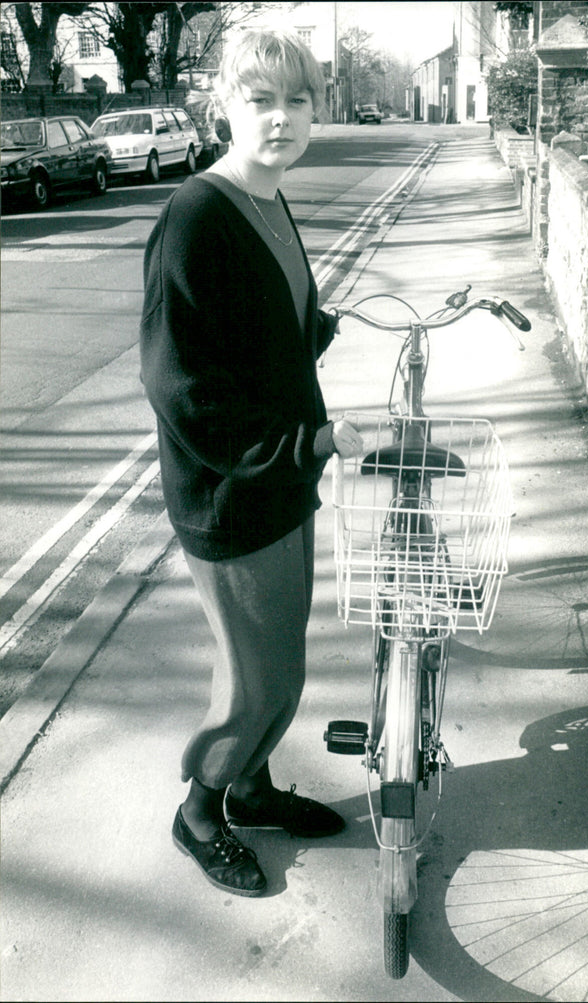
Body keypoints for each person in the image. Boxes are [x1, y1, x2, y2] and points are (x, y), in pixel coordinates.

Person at [139, 28, 363, 897]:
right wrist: (302, 444)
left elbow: (256, 329)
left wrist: (318, 326)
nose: (282, 118)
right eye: (260, 100)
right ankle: (201, 810)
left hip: (280, 483)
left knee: (285, 661)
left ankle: (253, 789)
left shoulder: (269, 198)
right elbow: (181, 381)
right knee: (258, 674)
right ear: (222, 107)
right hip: (231, 493)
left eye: (297, 100)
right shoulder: (196, 213)